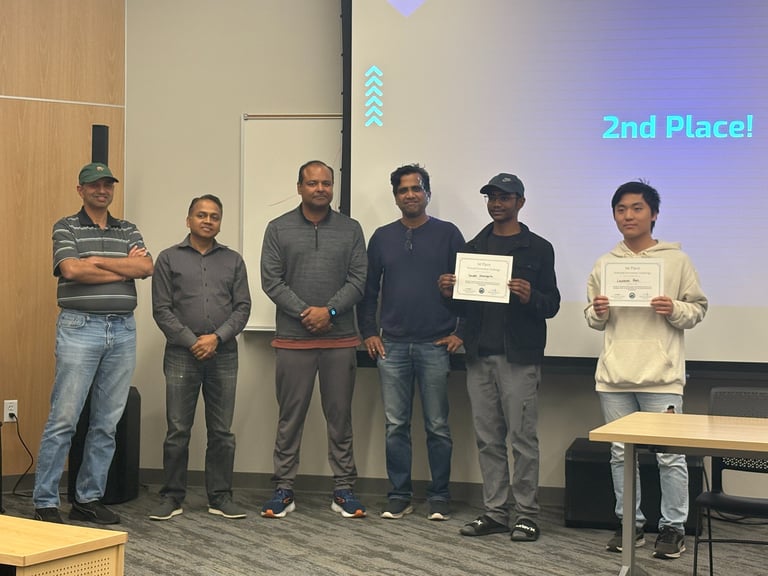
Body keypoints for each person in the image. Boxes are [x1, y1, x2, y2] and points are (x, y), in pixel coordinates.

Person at [585, 180, 707, 559]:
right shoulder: (605, 263)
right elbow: (592, 317)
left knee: (669, 456)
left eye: (637, 208)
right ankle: (629, 525)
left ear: (653, 214)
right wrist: (598, 312)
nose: (628, 216)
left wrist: (674, 308)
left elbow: (697, 308)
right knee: (621, 455)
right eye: (621, 209)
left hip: (661, 376)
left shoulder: (677, 261)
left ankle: (672, 528)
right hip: (615, 376)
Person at [438, 173, 560, 542]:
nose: (496, 203)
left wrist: (529, 296)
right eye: (491, 197)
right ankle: (495, 512)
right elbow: (464, 308)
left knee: (522, 439)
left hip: (519, 358)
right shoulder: (473, 248)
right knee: (487, 439)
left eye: (504, 197)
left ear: (520, 202)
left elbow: (551, 304)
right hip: (479, 357)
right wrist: (448, 293)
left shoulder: (538, 248)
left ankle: (526, 514)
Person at [33, 162, 154, 524]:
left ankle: (87, 499)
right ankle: (45, 501)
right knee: (64, 419)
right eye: (94, 185)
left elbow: (145, 268)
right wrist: (122, 267)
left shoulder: (128, 229)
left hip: (123, 330)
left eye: (107, 185)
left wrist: (98, 260)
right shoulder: (66, 226)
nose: (102, 190)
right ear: (81, 190)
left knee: (107, 422)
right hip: (79, 327)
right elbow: (71, 270)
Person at [259, 160, 368, 519]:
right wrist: (307, 312)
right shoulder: (278, 228)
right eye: (312, 183)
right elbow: (271, 281)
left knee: (340, 419)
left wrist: (330, 312)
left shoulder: (351, 229)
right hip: (293, 340)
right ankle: (283, 489)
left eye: (326, 183)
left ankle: (344, 490)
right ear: (299, 187)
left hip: (340, 341)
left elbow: (358, 280)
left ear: (332, 187)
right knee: (289, 419)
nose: (320, 189)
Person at [358, 164, 464, 521]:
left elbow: (470, 287)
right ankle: (399, 495)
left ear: (427, 193)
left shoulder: (449, 234)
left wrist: (461, 332)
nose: (410, 195)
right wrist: (369, 332)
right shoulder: (381, 237)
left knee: (438, 426)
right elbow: (369, 291)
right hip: (392, 346)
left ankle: (440, 496)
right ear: (395, 197)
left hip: (436, 344)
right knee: (395, 426)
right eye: (403, 190)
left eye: (416, 188)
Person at [149, 194, 252, 521]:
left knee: (221, 431)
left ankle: (220, 497)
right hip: (182, 354)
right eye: (201, 215)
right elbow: (161, 309)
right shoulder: (168, 258)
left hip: (224, 353)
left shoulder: (233, 260)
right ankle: (172, 496)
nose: (208, 221)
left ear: (220, 222)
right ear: (189, 220)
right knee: (178, 429)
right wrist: (193, 341)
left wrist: (216, 338)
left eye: (214, 216)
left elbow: (242, 308)